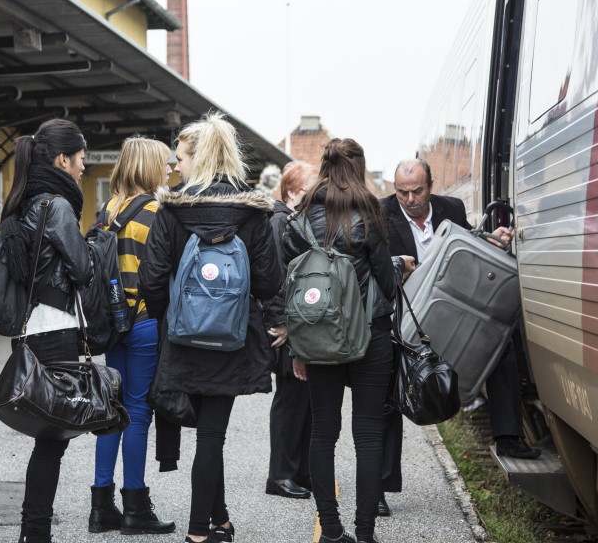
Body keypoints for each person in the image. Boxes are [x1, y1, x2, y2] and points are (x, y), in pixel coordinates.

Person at [139, 111, 283, 543]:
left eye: (179, 158)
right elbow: (269, 281)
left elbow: (151, 277)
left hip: (183, 337)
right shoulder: (253, 211)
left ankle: (202, 528)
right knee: (211, 435)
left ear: (197, 160)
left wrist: (173, 317)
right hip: (234, 338)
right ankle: (209, 524)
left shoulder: (171, 209)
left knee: (207, 436)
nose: (174, 167)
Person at [378, 158, 539, 513]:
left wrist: (492, 240)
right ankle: (379, 487)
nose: (409, 199)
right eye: (402, 192)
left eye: (417, 190)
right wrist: (395, 267)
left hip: (449, 309)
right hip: (405, 318)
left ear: (431, 186)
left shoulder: (451, 208)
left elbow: (469, 248)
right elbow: (372, 268)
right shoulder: (381, 214)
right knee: (385, 388)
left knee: (500, 343)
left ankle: (509, 438)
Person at [281, 138, 410, 543]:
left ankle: (332, 531)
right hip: (370, 335)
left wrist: (297, 347)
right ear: (359, 168)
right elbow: (387, 286)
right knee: (369, 434)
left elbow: (290, 288)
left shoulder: (300, 219)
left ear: (324, 167)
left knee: (323, 432)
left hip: (319, 338)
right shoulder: (370, 214)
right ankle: (366, 533)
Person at [0, 118, 93, 543]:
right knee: (53, 436)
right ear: (61, 159)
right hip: (56, 327)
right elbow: (82, 268)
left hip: (32, 325)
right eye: (80, 160)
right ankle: (34, 533)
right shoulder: (55, 205)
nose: (82, 169)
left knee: (49, 432)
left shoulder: (21, 201)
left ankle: (33, 531)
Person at [89, 137, 176, 535]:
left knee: (111, 409)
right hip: (141, 321)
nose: (171, 169)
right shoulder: (157, 211)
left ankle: (100, 506)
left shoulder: (108, 210)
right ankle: (135, 507)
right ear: (148, 166)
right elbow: (159, 273)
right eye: (165, 163)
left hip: (111, 324)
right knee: (137, 411)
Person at [264, 161, 319, 499]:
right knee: (290, 398)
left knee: (302, 398)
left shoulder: (291, 220)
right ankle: (280, 475)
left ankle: (298, 471)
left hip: (295, 321)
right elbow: (274, 274)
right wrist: (280, 320)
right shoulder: (279, 221)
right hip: (287, 324)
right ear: (296, 190)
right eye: (314, 186)